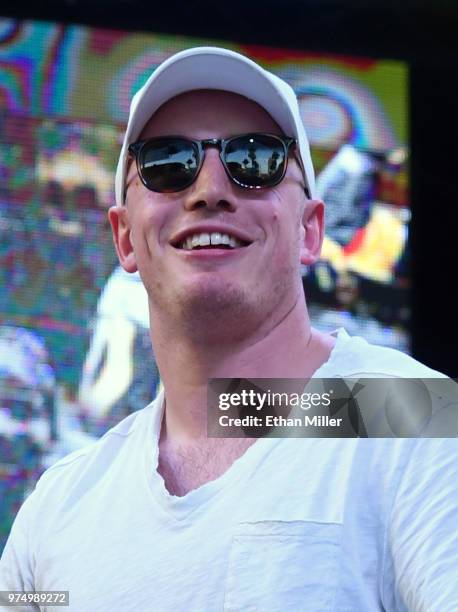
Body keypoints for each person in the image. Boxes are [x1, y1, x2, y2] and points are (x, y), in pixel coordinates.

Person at [1, 46, 457, 611]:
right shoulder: (59, 507)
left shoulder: (416, 420)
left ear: (310, 231)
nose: (209, 190)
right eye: (167, 163)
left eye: (256, 160)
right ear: (123, 238)